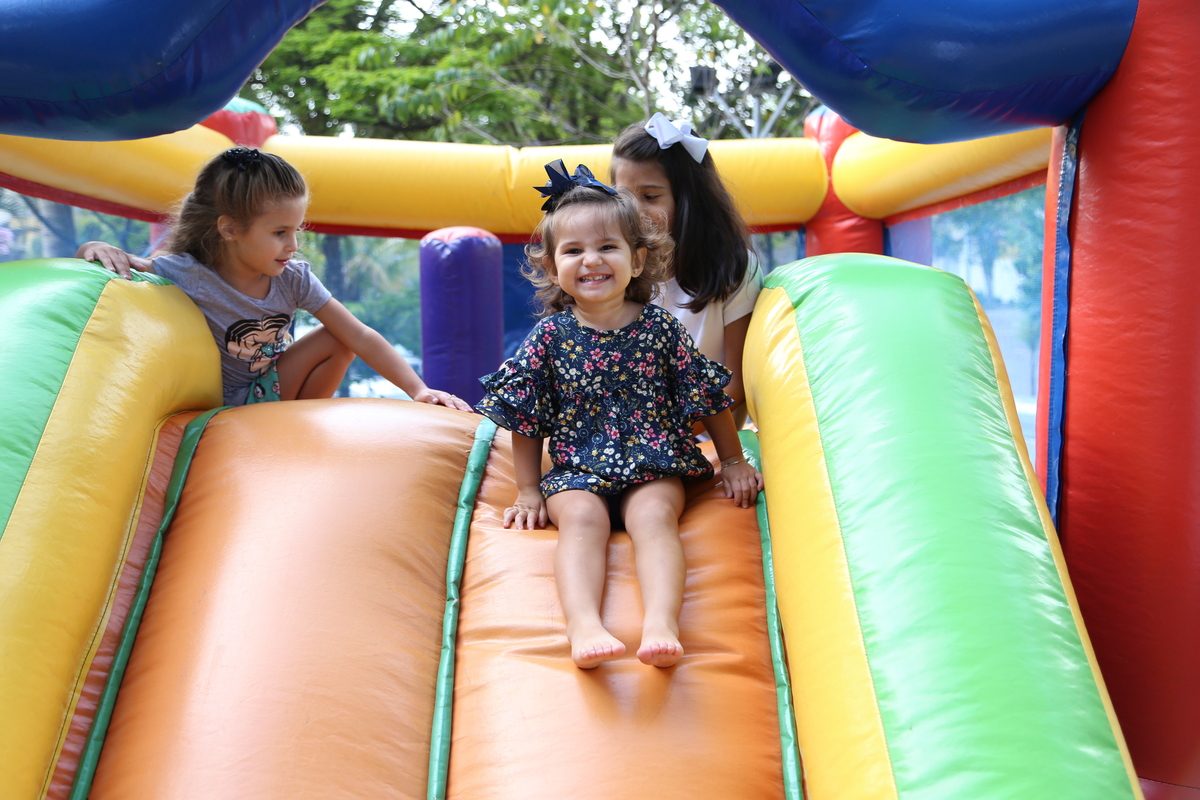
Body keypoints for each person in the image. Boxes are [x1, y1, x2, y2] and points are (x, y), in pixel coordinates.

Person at [476, 161, 763, 670]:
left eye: (607, 246)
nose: (591, 260)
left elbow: (707, 396)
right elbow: (527, 417)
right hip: (576, 470)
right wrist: (528, 490)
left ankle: (661, 624)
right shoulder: (549, 337)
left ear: (637, 259)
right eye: (573, 251)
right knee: (580, 520)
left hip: (655, 462)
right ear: (552, 268)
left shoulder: (660, 328)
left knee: (654, 517)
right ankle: (584, 626)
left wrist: (735, 460)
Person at [77, 147, 471, 411]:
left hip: (273, 389)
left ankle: (300, 419)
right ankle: (293, 421)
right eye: (280, 232)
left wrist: (418, 389)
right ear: (229, 229)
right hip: (221, 405)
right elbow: (115, 264)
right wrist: (92, 247)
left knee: (338, 336)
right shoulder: (190, 274)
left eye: (296, 230)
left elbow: (360, 336)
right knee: (336, 339)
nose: (293, 245)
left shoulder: (292, 278)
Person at [611, 113, 764, 426]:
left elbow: (737, 384)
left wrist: (664, 435)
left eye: (650, 197)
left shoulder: (732, 268)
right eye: (623, 197)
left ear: (688, 198)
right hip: (625, 433)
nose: (635, 211)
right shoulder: (616, 268)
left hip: (706, 434)